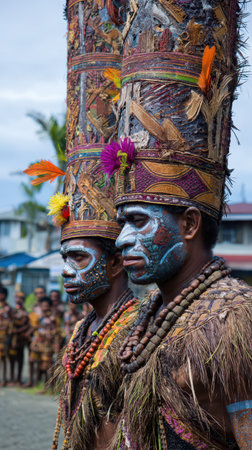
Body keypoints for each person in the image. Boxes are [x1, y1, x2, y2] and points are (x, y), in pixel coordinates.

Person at [100, 0, 252, 447]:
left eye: (139, 221)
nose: (122, 239)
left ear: (189, 223)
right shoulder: (146, 317)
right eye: (122, 223)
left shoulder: (236, 323)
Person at [25, 0, 139, 447]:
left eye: (78, 257)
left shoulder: (138, 332)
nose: (67, 271)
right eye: (65, 258)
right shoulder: (83, 329)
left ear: (114, 264)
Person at [9, 291, 30, 386]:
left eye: (20, 298)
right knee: (12, 358)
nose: (18, 300)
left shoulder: (25, 312)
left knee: (20, 358)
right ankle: (12, 378)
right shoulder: (12, 310)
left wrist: (17, 331)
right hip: (12, 338)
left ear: (23, 300)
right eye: (17, 298)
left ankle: (19, 379)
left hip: (21, 338)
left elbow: (27, 325)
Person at [0, 286, 12, 387]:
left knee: (4, 358)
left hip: (4, 336)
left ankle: (4, 379)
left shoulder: (7, 308)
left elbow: (10, 322)